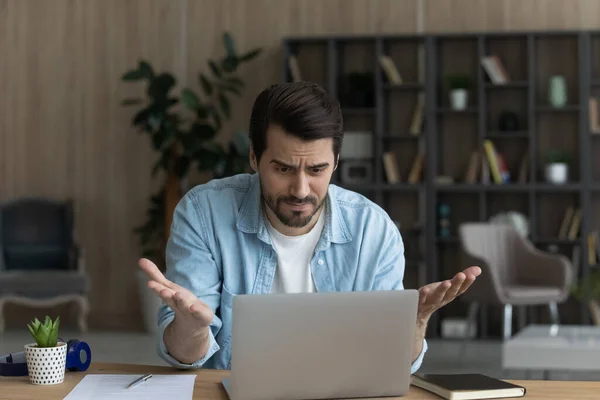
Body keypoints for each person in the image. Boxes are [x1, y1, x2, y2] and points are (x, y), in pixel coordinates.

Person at [138, 81, 481, 373]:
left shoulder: (372, 229)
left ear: (336, 163)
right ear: (254, 159)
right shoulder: (204, 214)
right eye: (284, 169)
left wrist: (414, 325)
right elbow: (185, 359)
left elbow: (390, 364)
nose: (301, 190)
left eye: (317, 170)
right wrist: (194, 329)